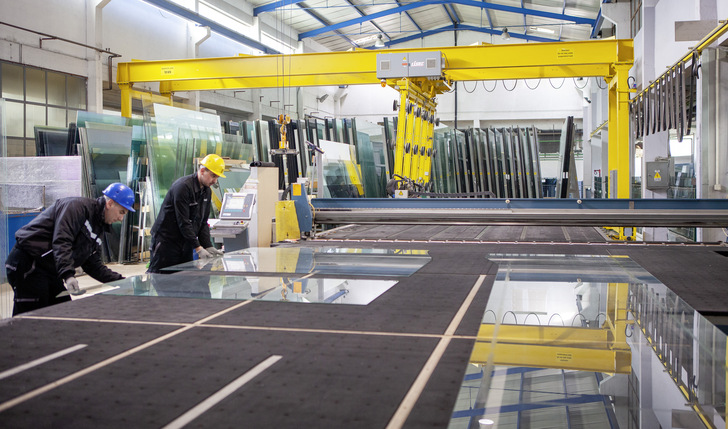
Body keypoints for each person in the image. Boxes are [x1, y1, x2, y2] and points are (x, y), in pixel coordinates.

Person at [6, 182, 136, 316]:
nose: (121, 218)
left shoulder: (98, 227)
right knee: (30, 317)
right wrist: (68, 275)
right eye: (121, 212)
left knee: (63, 311)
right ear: (110, 203)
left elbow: (92, 263)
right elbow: (62, 241)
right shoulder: (76, 208)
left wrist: (121, 281)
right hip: (28, 263)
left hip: (49, 268)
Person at [147, 154, 225, 274]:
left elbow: (203, 222)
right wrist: (198, 248)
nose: (215, 181)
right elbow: (183, 221)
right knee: (161, 278)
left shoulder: (206, 192)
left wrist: (208, 245)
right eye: (213, 176)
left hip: (185, 242)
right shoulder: (182, 187)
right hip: (166, 242)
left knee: (184, 280)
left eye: (217, 177)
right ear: (202, 170)